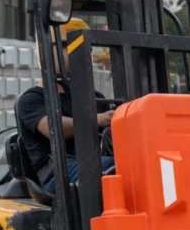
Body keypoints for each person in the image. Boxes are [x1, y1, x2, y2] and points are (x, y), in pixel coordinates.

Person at [17, 19, 116, 193]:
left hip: (91, 161)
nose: (83, 54)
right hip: (57, 173)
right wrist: (98, 119)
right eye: (70, 47)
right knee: (119, 166)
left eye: (86, 48)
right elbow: (54, 129)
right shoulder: (31, 99)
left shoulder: (93, 96)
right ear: (48, 52)